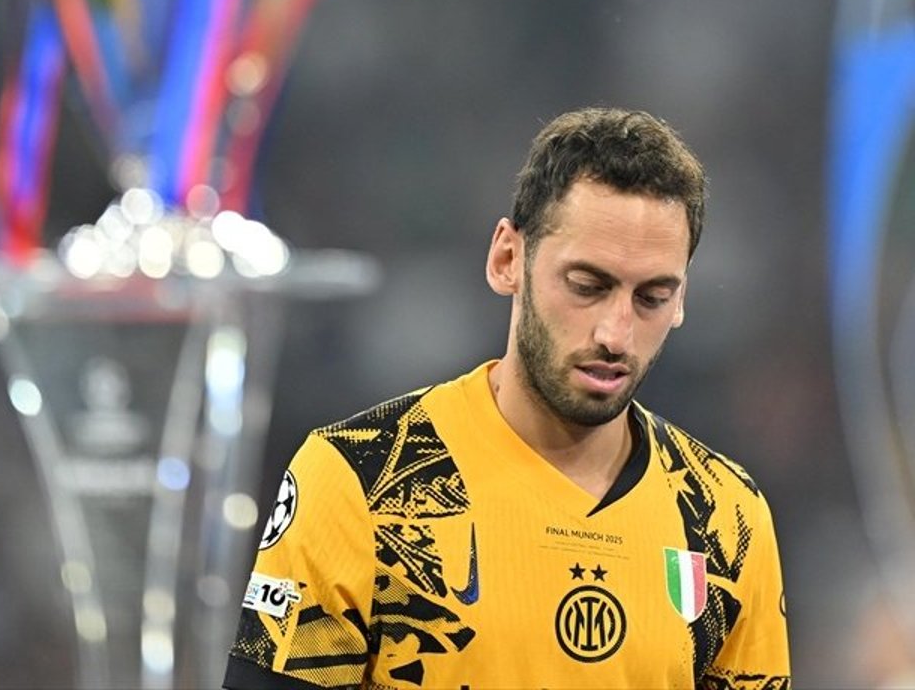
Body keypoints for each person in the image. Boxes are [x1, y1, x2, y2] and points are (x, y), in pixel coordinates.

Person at [223, 107, 790, 690]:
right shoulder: (358, 479)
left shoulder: (726, 518)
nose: (615, 334)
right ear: (507, 260)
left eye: (651, 297)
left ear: (681, 300)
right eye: (587, 286)